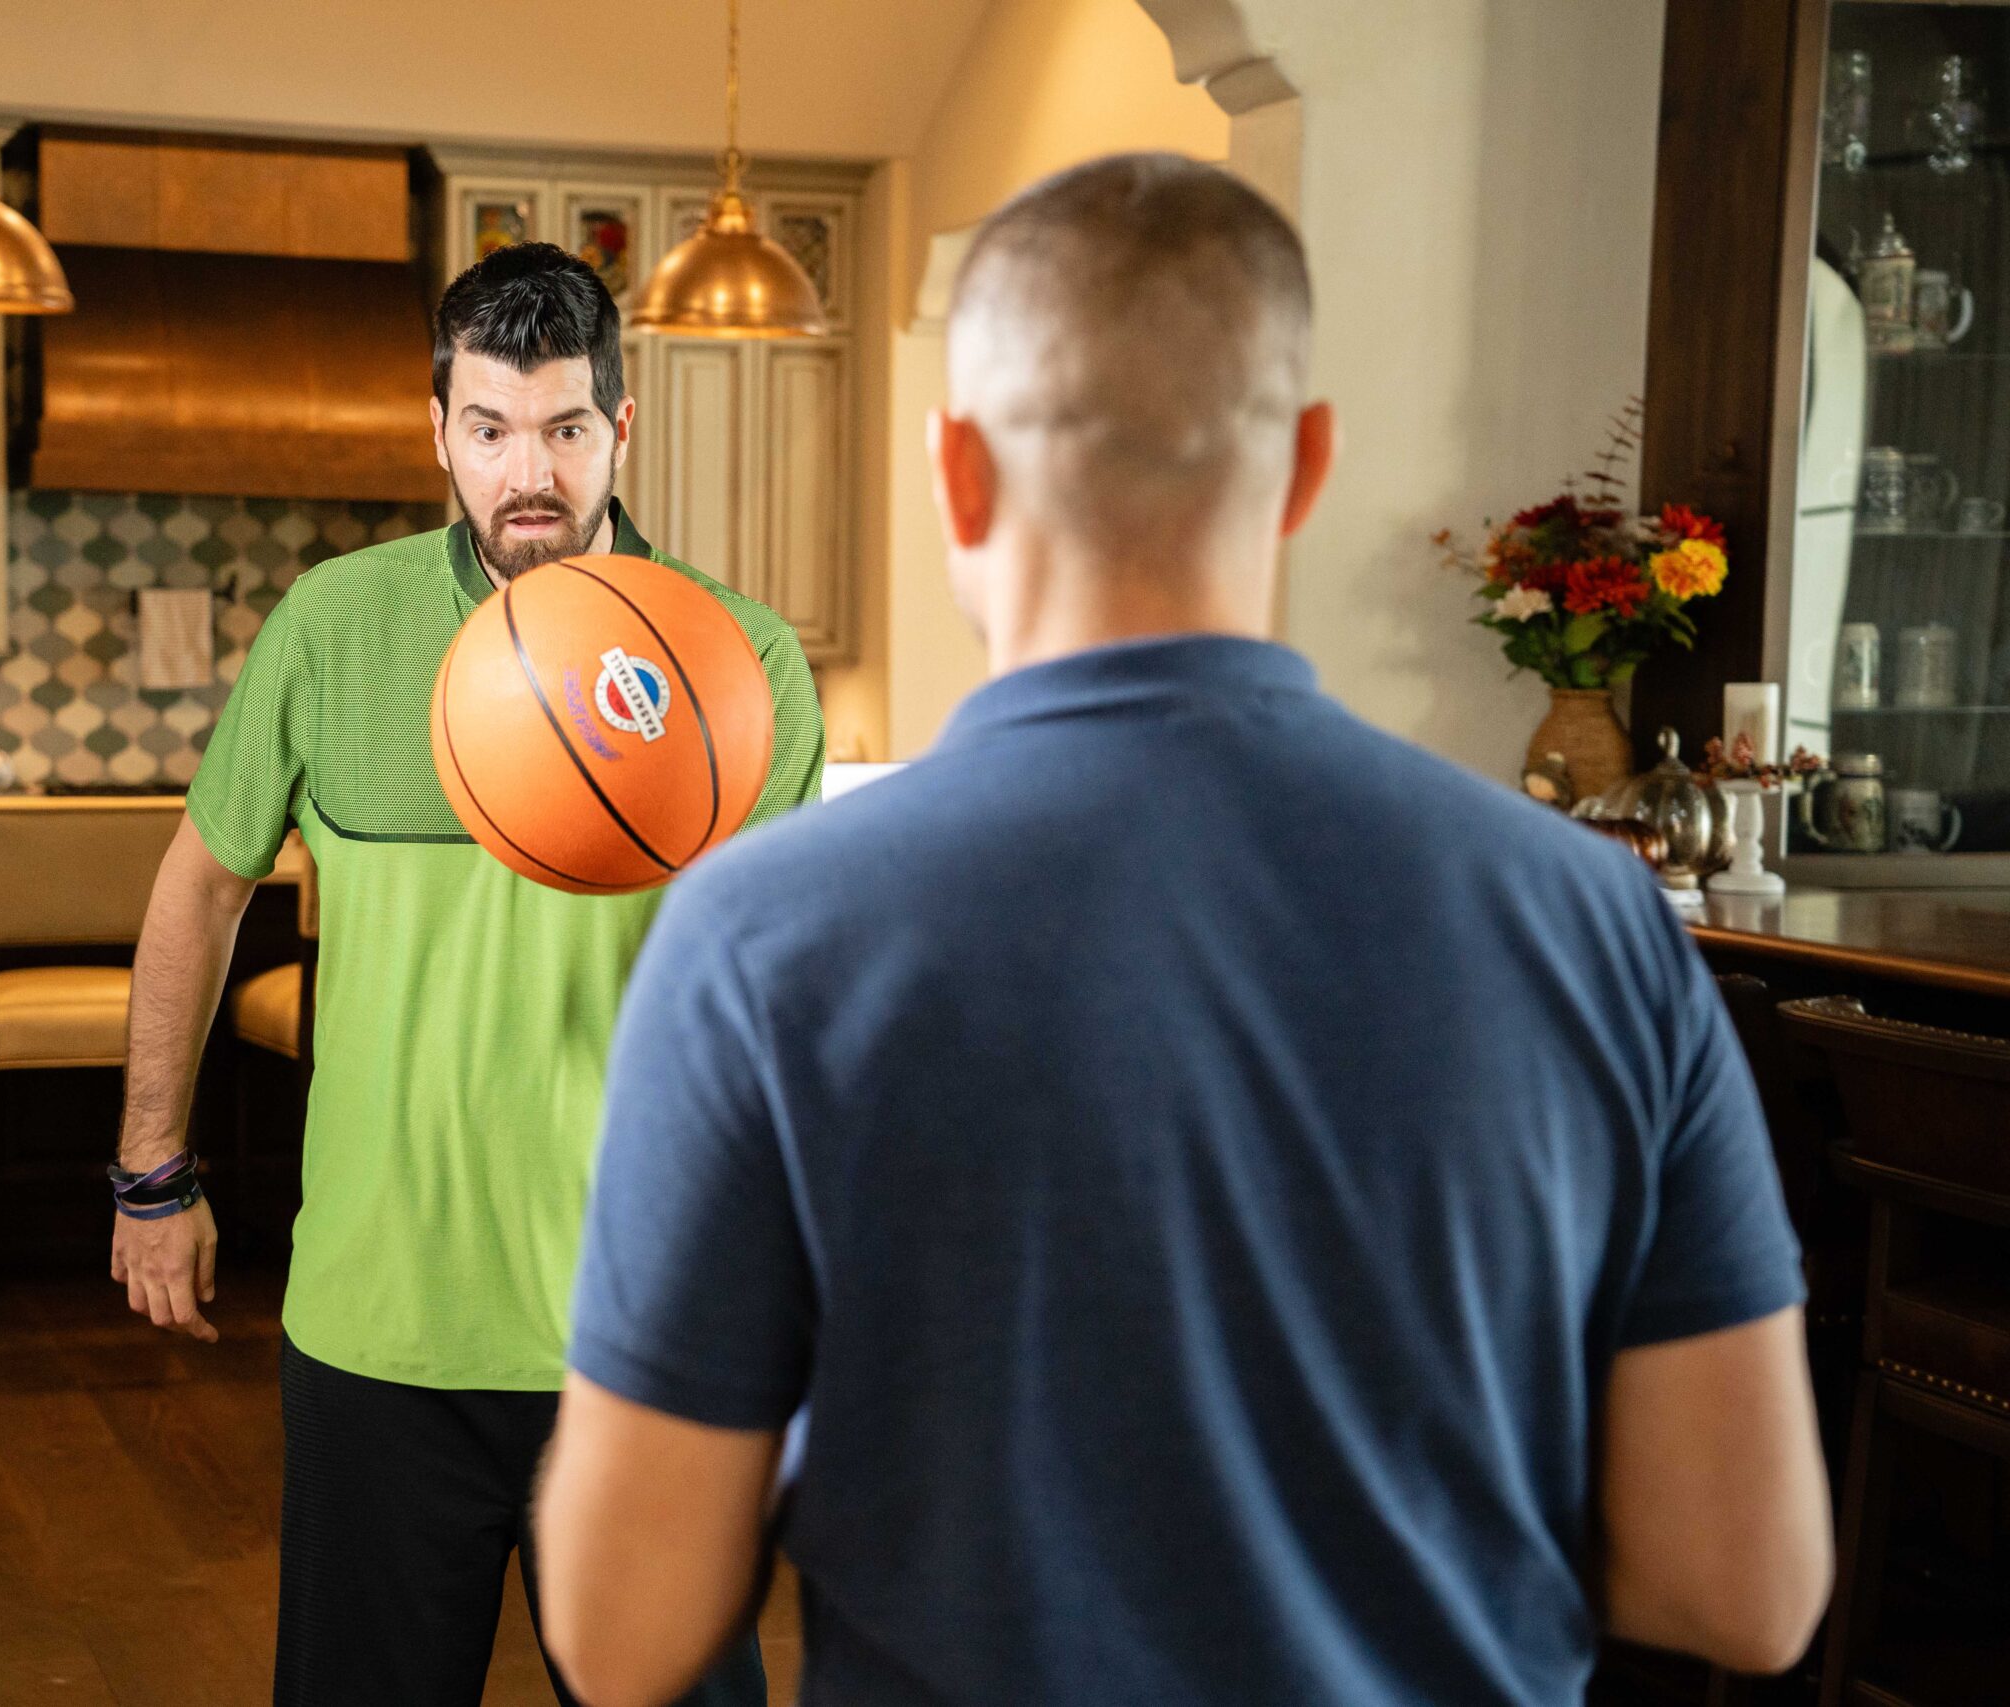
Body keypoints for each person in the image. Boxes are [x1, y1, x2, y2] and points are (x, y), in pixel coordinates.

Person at [533, 155, 1834, 1706]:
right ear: (1303, 468)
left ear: (956, 472)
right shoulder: (1598, 919)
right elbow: (1743, 1586)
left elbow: (621, 1635)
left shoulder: (755, 937)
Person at [109, 242, 823, 1707]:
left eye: (565, 427)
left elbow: (795, 1011)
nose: (528, 474)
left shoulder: (739, 664)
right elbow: (201, 885)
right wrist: (151, 1172)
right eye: (489, 430)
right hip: (382, 1334)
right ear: (437, 432)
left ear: (623, 427)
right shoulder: (333, 626)